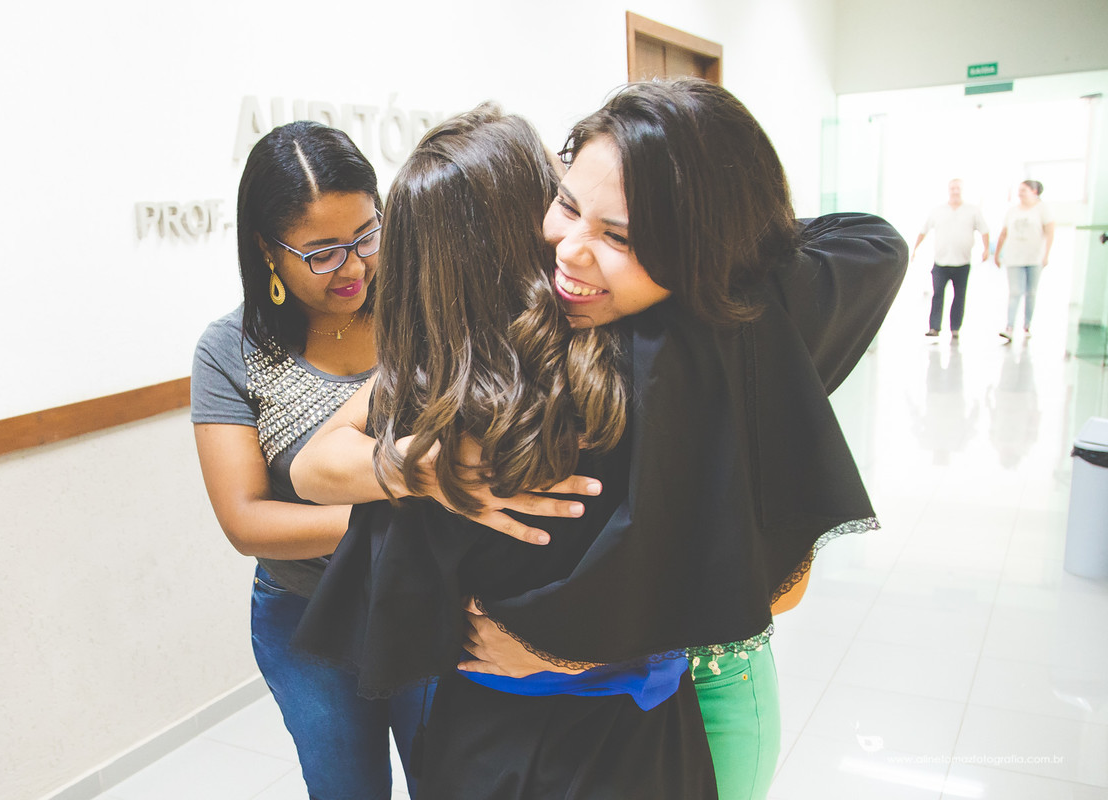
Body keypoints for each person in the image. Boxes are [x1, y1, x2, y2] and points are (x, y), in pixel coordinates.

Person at [295, 82, 908, 800]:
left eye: (620, 234)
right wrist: (428, 469)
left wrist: (578, 644)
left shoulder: (699, 347)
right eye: (565, 204)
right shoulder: (477, 378)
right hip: (592, 728)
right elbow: (315, 464)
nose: (572, 251)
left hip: (684, 688)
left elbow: (778, 586)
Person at [291, 104, 718, 799]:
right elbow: (726, 565)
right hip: (622, 737)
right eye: (561, 195)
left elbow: (312, 468)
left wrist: (418, 467)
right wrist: (428, 472)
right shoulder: (633, 370)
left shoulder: (429, 393)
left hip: (482, 733)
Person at [189, 120, 434, 799]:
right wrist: (402, 512)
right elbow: (246, 523)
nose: (354, 267)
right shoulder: (228, 352)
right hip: (306, 617)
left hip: (427, 600)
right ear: (269, 250)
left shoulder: (421, 314)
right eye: (323, 252)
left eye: (366, 236)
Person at [913, 179, 989, 340]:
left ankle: (955, 328)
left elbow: (984, 230)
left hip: (962, 262)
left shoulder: (972, 210)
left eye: (958, 188)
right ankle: (934, 327)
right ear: (948, 190)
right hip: (941, 262)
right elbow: (923, 231)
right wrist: (914, 249)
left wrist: (986, 249)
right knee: (937, 294)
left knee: (959, 296)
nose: (955, 191)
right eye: (952, 188)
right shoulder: (937, 210)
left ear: (962, 190)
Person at [995, 179, 1055, 342]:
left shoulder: (1042, 209)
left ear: (1034, 191)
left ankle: (1027, 325)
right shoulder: (1012, 211)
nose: (1020, 193)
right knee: (1015, 292)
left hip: (1034, 257)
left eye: (1024, 190)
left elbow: (1050, 232)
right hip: (1014, 257)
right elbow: (1003, 233)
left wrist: (1046, 254)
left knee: (1031, 292)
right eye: (1019, 190)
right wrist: (997, 254)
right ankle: (1009, 327)